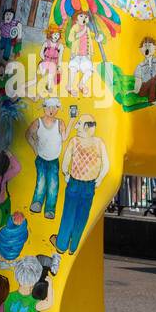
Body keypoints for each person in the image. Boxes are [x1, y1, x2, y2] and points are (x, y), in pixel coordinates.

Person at [51, 115, 110, 254]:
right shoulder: (99, 143)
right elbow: (106, 164)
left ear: (86, 126)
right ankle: (73, 246)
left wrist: (66, 174)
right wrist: (100, 178)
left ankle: (61, 244)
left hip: (75, 182)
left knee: (69, 213)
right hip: (90, 185)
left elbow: (66, 161)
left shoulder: (74, 141)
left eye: (79, 124)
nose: (76, 127)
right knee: (82, 215)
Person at [26, 98, 67, 219]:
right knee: (41, 181)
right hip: (41, 158)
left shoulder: (60, 123)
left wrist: (71, 122)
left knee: (53, 184)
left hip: (54, 160)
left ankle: (50, 209)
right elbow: (28, 135)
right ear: (44, 108)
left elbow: (64, 138)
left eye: (54, 107)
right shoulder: (38, 122)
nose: (52, 110)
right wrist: (35, 149)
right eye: (49, 107)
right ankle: (37, 202)